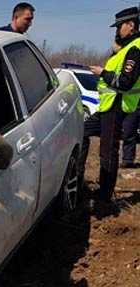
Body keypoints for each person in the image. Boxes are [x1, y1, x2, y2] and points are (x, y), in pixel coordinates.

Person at [82, 7, 140, 210]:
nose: (117, 30)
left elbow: (124, 82)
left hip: (117, 106)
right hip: (108, 106)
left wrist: (102, 72)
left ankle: (104, 197)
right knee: (81, 131)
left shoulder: (135, 49)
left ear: (130, 25)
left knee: (108, 151)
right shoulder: (125, 48)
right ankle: (82, 179)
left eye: (119, 26)